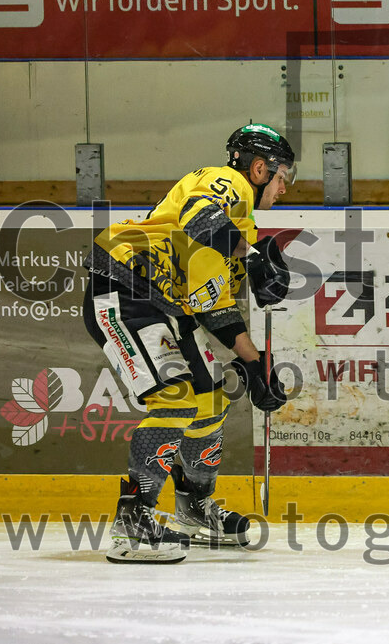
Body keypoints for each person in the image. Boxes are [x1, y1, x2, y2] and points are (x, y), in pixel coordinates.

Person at [82, 123, 295, 563]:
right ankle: (133, 521)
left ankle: (193, 508)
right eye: (282, 179)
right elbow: (199, 219)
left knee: (211, 401)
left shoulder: (241, 230)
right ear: (260, 169)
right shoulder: (228, 183)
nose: (283, 191)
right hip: (126, 284)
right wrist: (253, 259)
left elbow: (213, 308)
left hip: (165, 303)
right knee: (176, 401)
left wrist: (257, 369)